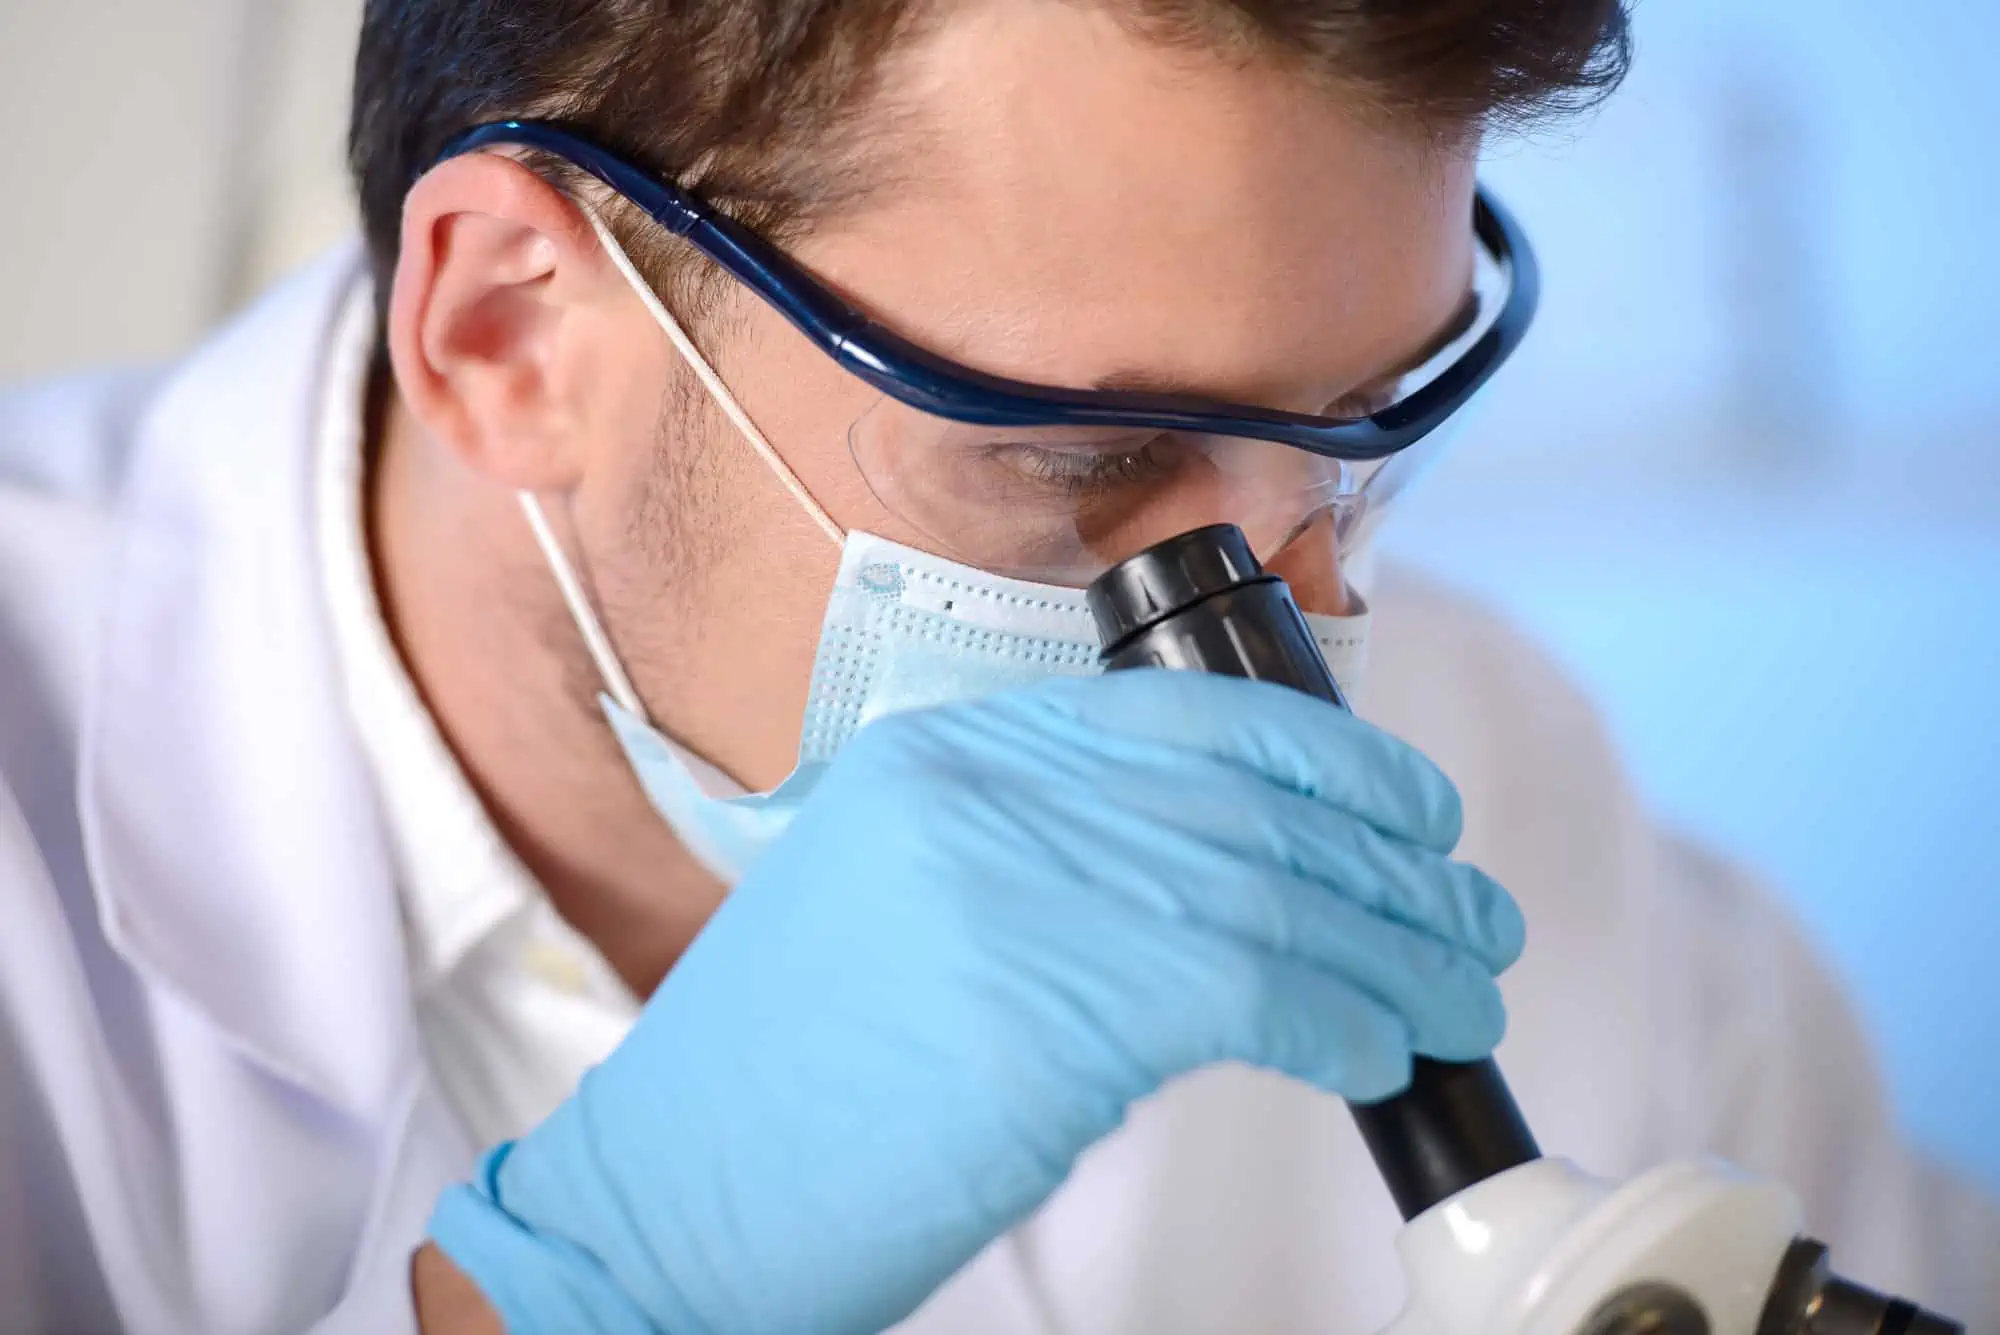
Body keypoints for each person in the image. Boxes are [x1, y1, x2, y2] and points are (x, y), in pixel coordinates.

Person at [1, 0, 1994, 1331]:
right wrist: (587, 1297)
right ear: (515, 336)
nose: (1289, 646)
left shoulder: (1492, 783)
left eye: (1364, 432)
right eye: (1094, 459)